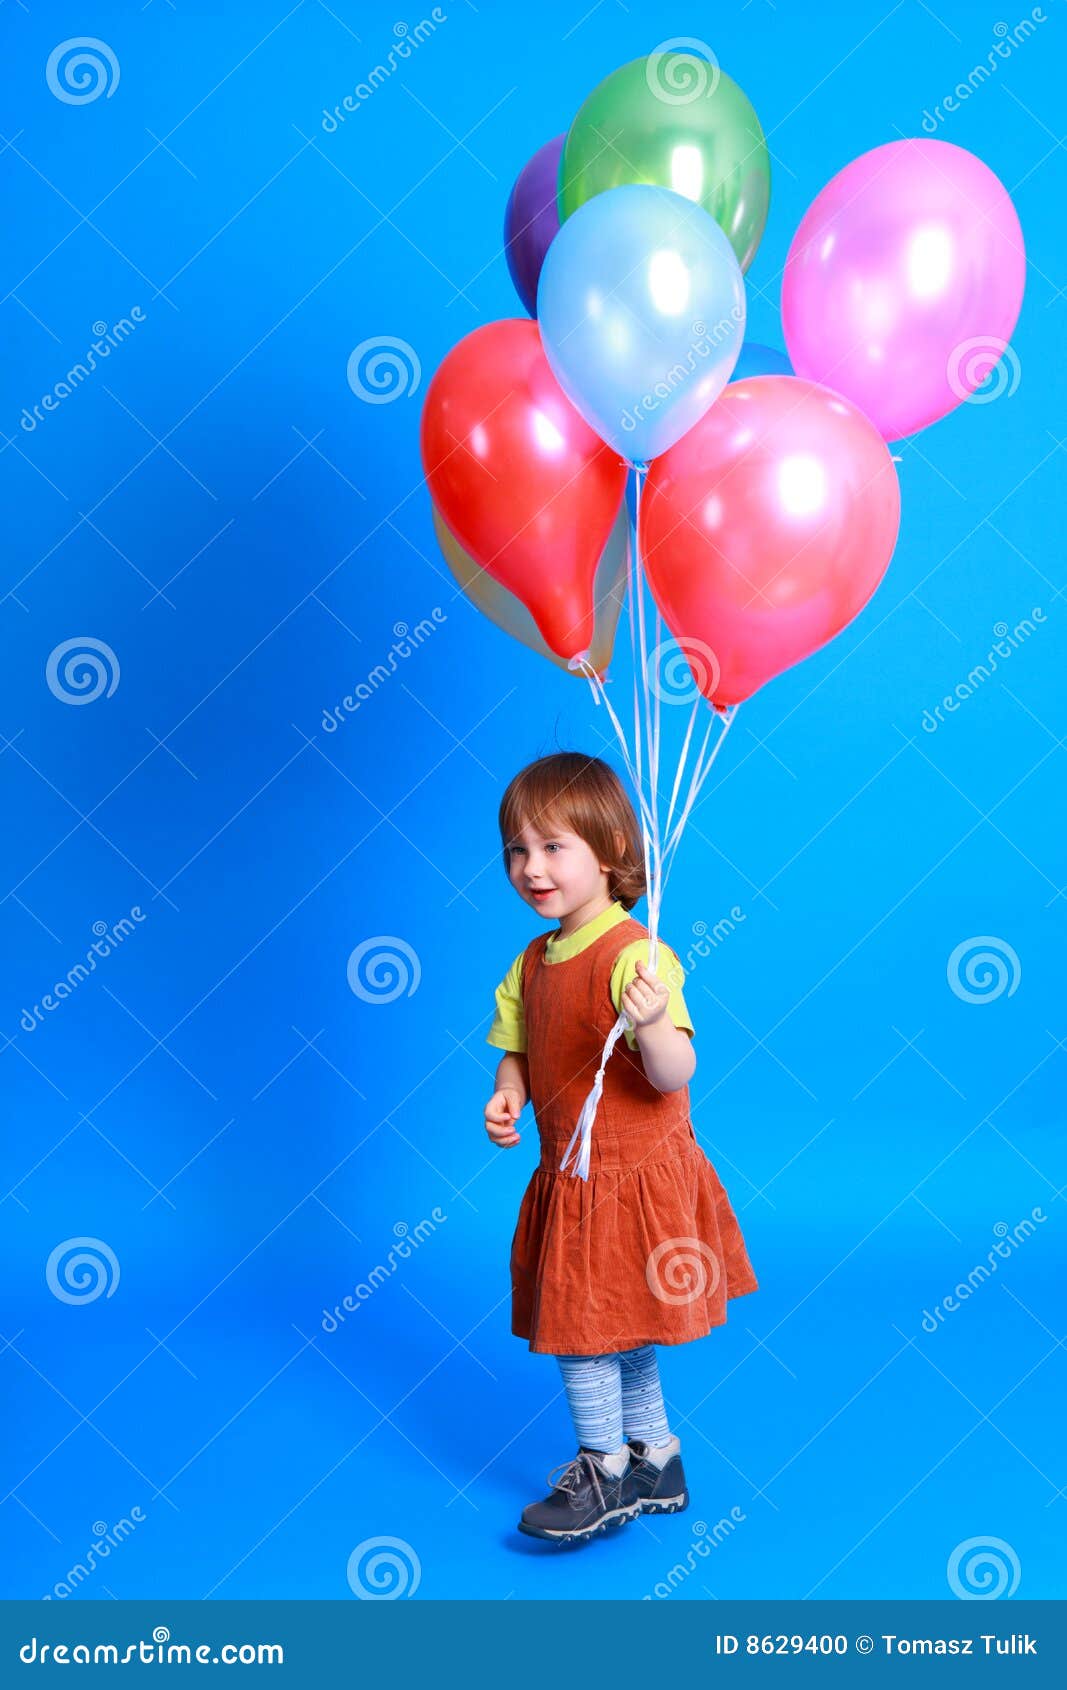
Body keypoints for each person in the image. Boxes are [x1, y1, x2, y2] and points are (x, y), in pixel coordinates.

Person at [484, 751, 759, 1545]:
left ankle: (602, 1468)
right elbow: (523, 1047)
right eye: (516, 850)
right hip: (573, 1173)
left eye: (552, 847)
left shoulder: (634, 956)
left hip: (631, 1177)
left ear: (609, 854)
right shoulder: (531, 963)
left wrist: (649, 1021)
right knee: (619, 1328)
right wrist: (509, 1093)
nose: (531, 868)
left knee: (582, 1330)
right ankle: (657, 1459)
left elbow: (675, 1070)